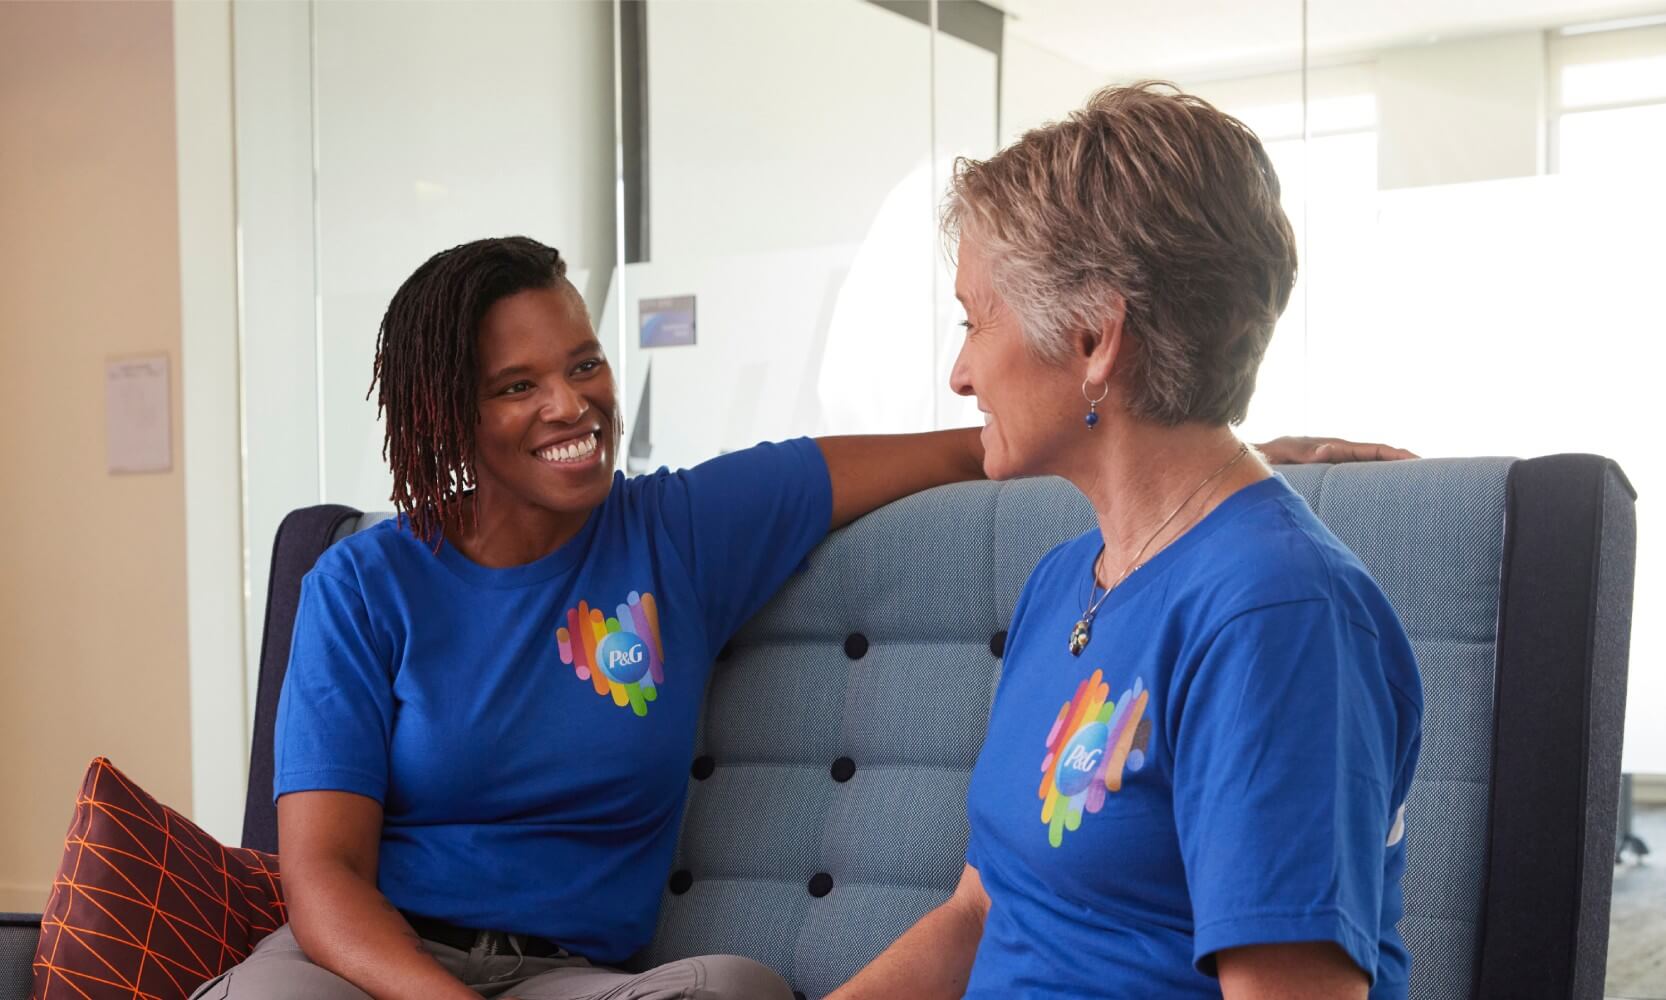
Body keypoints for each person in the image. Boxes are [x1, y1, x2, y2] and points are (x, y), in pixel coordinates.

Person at [196, 234, 1402, 1000]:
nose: (572, 403)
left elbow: (975, 447)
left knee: (731, 990)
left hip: (575, 980)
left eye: (584, 362)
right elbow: (323, 874)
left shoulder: (681, 529)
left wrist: (1221, 459)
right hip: (367, 969)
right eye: (518, 385)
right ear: (445, 418)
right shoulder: (365, 584)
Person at [830, 84, 1422, 1000]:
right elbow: (980, 914)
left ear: (1094, 337)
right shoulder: (1069, 579)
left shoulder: (1277, 617)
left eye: (974, 320)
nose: (960, 372)